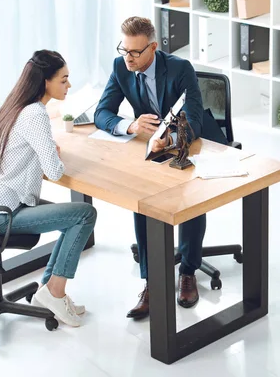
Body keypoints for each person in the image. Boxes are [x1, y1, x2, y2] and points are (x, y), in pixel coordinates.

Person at [94, 16, 228, 320]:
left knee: (189, 196)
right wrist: (129, 125)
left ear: (153, 47)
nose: (127, 58)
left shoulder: (180, 69)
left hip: (193, 140)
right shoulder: (121, 67)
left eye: (135, 52)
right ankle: (152, 281)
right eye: (123, 50)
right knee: (142, 201)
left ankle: (189, 271)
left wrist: (170, 138)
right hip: (152, 144)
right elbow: (102, 112)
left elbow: (193, 118)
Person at [0, 50, 97, 327]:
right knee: (84, 215)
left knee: (73, 218)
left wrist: (45, 151)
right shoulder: (35, 114)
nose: (68, 86)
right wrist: (52, 154)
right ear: (46, 82)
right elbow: (54, 171)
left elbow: (25, 150)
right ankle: (55, 292)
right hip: (2, 214)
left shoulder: (16, 104)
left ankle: (48, 291)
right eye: (64, 80)